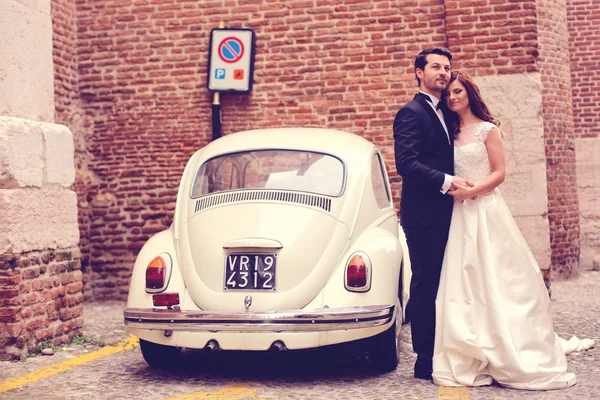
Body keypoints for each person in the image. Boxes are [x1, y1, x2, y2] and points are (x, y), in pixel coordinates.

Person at [432, 71, 595, 390]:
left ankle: (511, 345)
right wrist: (457, 191)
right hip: (460, 213)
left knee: (497, 275)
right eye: (448, 94)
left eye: (457, 91)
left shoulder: (488, 130)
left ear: (469, 93)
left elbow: (499, 173)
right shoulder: (448, 134)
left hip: (486, 208)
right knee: (464, 278)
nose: (452, 98)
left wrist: (472, 191)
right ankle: (472, 346)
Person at [393, 47, 473, 380]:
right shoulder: (411, 112)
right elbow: (406, 164)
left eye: (447, 67)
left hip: (448, 212)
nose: (443, 72)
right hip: (424, 215)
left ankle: (447, 347)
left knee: (447, 281)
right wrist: (447, 181)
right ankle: (424, 359)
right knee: (426, 285)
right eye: (436, 67)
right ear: (418, 72)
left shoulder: (447, 112)